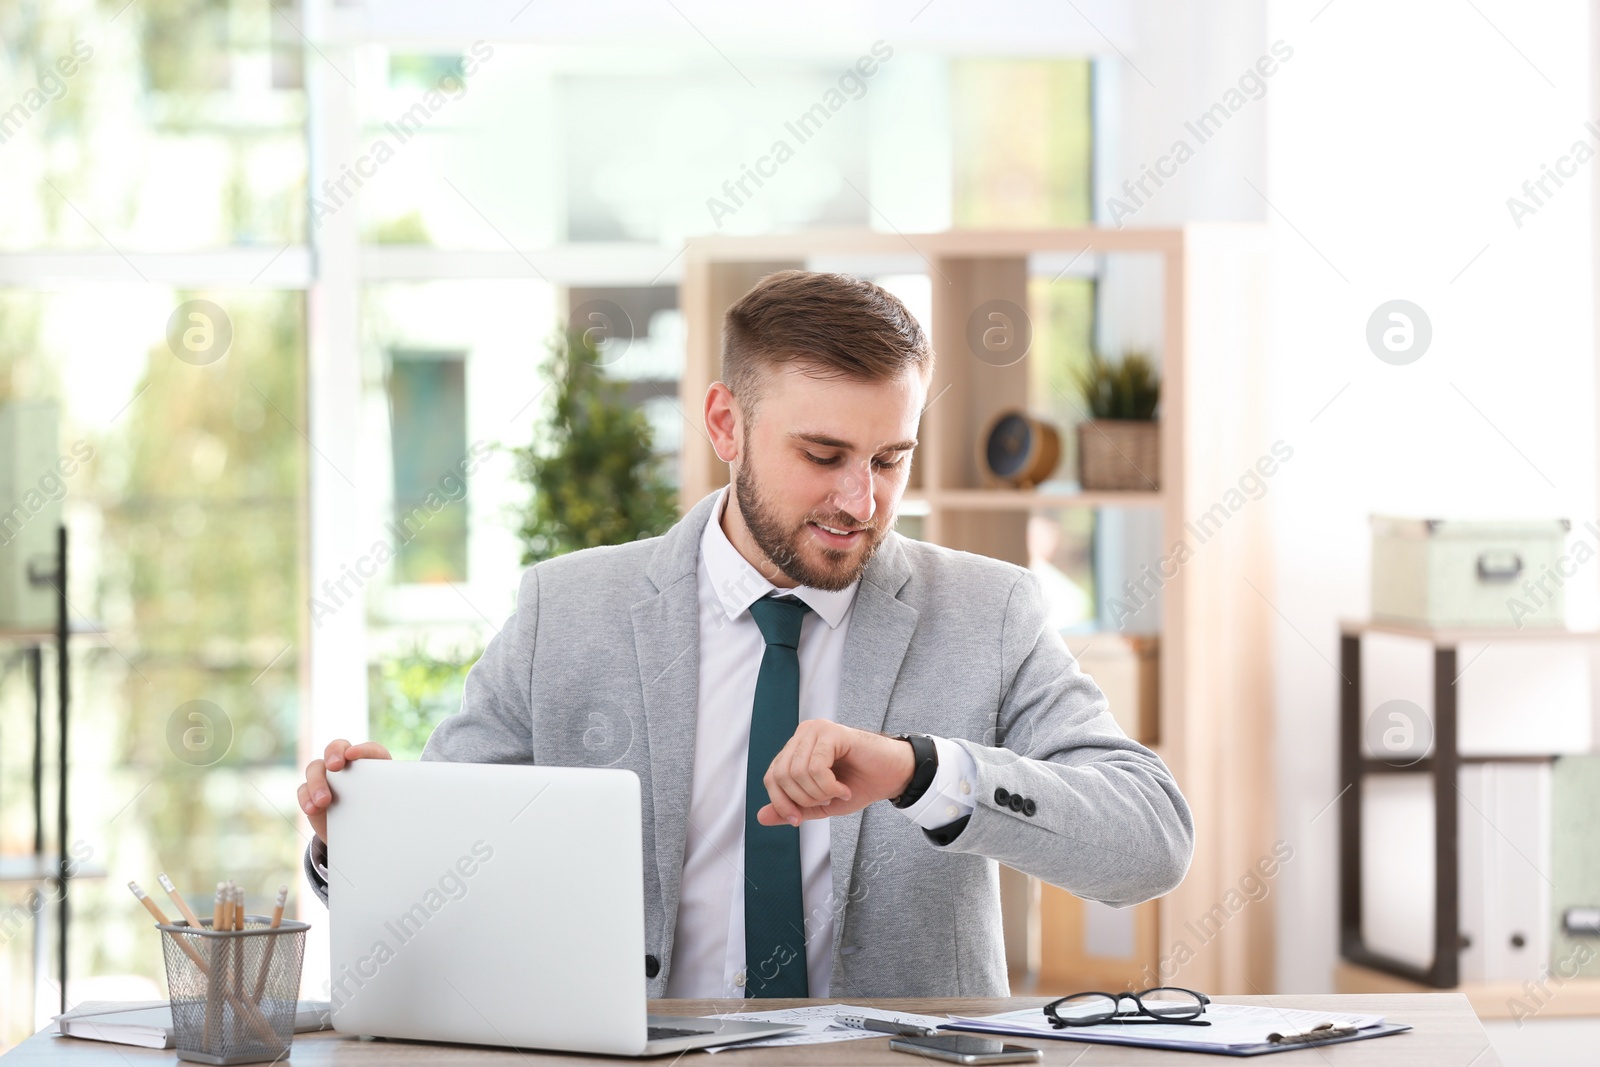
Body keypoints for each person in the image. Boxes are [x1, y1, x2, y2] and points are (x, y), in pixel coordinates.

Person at [297, 270, 1193, 999]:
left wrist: (922, 771)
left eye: (891, 459)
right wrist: (361, 839)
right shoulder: (565, 612)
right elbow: (448, 874)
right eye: (824, 455)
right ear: (727, 424)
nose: (863, 501)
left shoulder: (989, 612)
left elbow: (1151, 841)